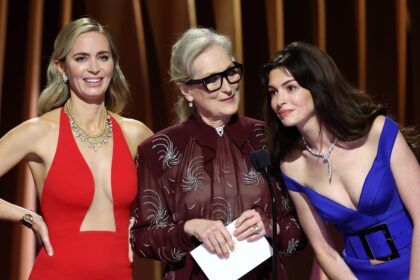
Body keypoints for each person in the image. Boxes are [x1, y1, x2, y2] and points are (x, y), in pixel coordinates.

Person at [130, 27, 306, 279]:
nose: (228, 88)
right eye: (212, 80)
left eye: (231, 73)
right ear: (186, 90)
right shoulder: (159, 150)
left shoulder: (268, 138)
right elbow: (143, 239)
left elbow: (300, 232)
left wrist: (271, 226)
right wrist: (190, 227)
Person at [0, 17, 153, 279]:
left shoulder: (135, 133)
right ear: (61, 68)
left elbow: (177, 196)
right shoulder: (39, 131)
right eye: (81, 58)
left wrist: (143, 223)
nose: (94, 68)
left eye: (102, 57)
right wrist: (28, 216)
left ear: (113, 65)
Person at [262, 41, 420, 279]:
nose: (279, 101)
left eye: (290, 88)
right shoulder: (291, 166)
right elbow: (324, 251)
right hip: (357, 273)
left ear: (317, 87)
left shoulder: (378, 132)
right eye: (273, 92)